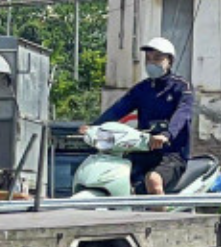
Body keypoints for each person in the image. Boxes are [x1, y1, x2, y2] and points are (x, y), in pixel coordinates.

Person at [81, 37, 194, 195]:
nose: (151, 63)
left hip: (171, 154)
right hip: (142, 150)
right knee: (113, 176)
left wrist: (166, 135)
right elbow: (119, 109)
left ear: (170, 60)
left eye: (157, 58)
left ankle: (159, 219)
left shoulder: (181, 87)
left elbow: (183, 114)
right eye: (148, 59)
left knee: (153, 181)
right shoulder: (142, 89)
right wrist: (94, 127)